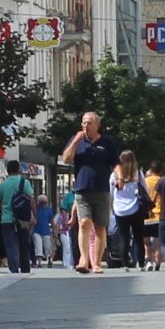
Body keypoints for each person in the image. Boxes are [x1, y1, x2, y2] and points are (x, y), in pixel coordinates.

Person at [63, 111, 115, 273]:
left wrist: (119, 178)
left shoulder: (107, 142)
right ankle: (84, 260)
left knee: (100, 227)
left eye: (89, 123)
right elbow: (66, 159)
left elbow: (115, 163)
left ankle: (97, 262)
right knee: (84, 223)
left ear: (97, 125)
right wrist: (76, 141)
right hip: (82, 189)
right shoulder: (77, 141)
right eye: (84, 123)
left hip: (101, 189)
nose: (85, 126)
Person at [0, 148, 37, 274]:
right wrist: (34, 215)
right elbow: (32, 200)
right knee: (24, 244)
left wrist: (2, 211)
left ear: (7, 171)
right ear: (19, 169)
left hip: (7, 219)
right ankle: (25, 268)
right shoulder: (25, 182)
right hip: (23, 219)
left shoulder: (2, 185)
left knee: (10, 245)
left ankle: (14, 269)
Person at [108, 151, 147, 268]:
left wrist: (112, 206)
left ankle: (125, 264)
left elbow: (111, 193)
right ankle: (141, 263)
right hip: (135, 209)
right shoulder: (138, 174)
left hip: (120, 210)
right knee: (138, 238)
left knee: (123, 237)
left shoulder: (114, 176)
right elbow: (145, 189)